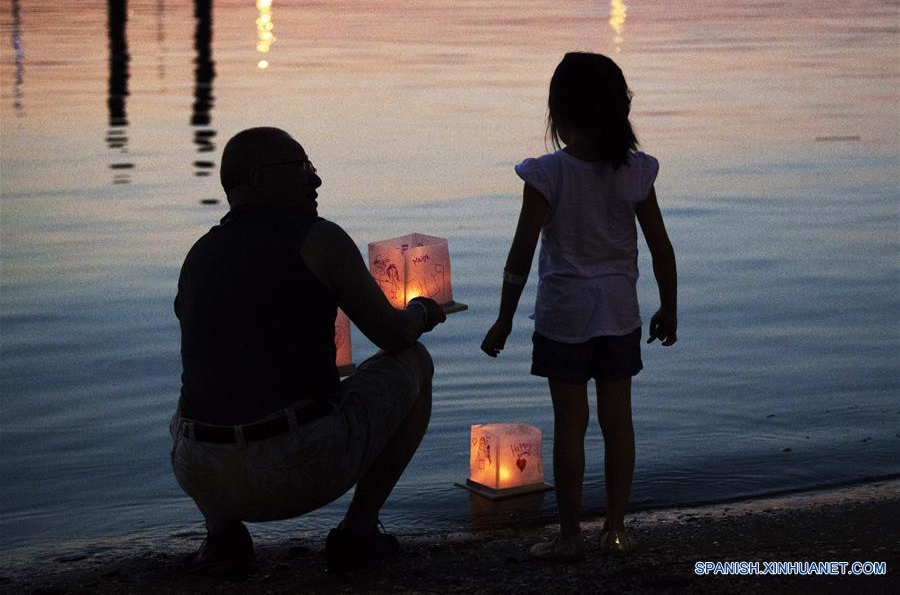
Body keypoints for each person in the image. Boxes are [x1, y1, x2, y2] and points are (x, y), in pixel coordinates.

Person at [171, 127, 446, 577]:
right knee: (415, 363)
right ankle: (358, 532)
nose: (315, 181)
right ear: (258, 178)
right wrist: (421, 311)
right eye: (303, 168)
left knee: (191, 399)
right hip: (300, 469)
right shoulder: (319, 239)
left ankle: (224, 538)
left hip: (204, 474)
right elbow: (393, 336)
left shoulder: (198, 254)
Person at [481, 53, 677, 562]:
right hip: (618, 313)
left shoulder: (547, 175)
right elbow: (661, 248)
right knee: (619, 424)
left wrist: (504, 317)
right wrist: (669, 306)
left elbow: (520, 255)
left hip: (563, 317)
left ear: (559, 114)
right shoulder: (636, 171)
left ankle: (570, 537)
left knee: (571, 427)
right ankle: (616, 530)